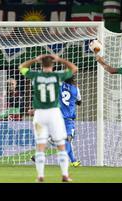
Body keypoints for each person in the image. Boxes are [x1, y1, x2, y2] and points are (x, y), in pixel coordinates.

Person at [19, 54, 78, 182]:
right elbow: (74, 69)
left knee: (40, 146)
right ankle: (64, 175)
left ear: (41, 64)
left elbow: (22, 67)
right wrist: (60, 59)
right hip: (54, 113)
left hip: (39, 114)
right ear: (53, 65)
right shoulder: (57, 76)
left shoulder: (35, 76)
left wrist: (34, 59)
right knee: (61, 145)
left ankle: (40, 176)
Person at [59, 75, 82, 167]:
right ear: (73, 79)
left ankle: (74, 161)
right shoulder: (75, 89)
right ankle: (73, 161)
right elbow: (79, 102)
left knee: (64, 141)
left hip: (57, 119)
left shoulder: (58, 86)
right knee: (68, 140)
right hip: (68, 120)